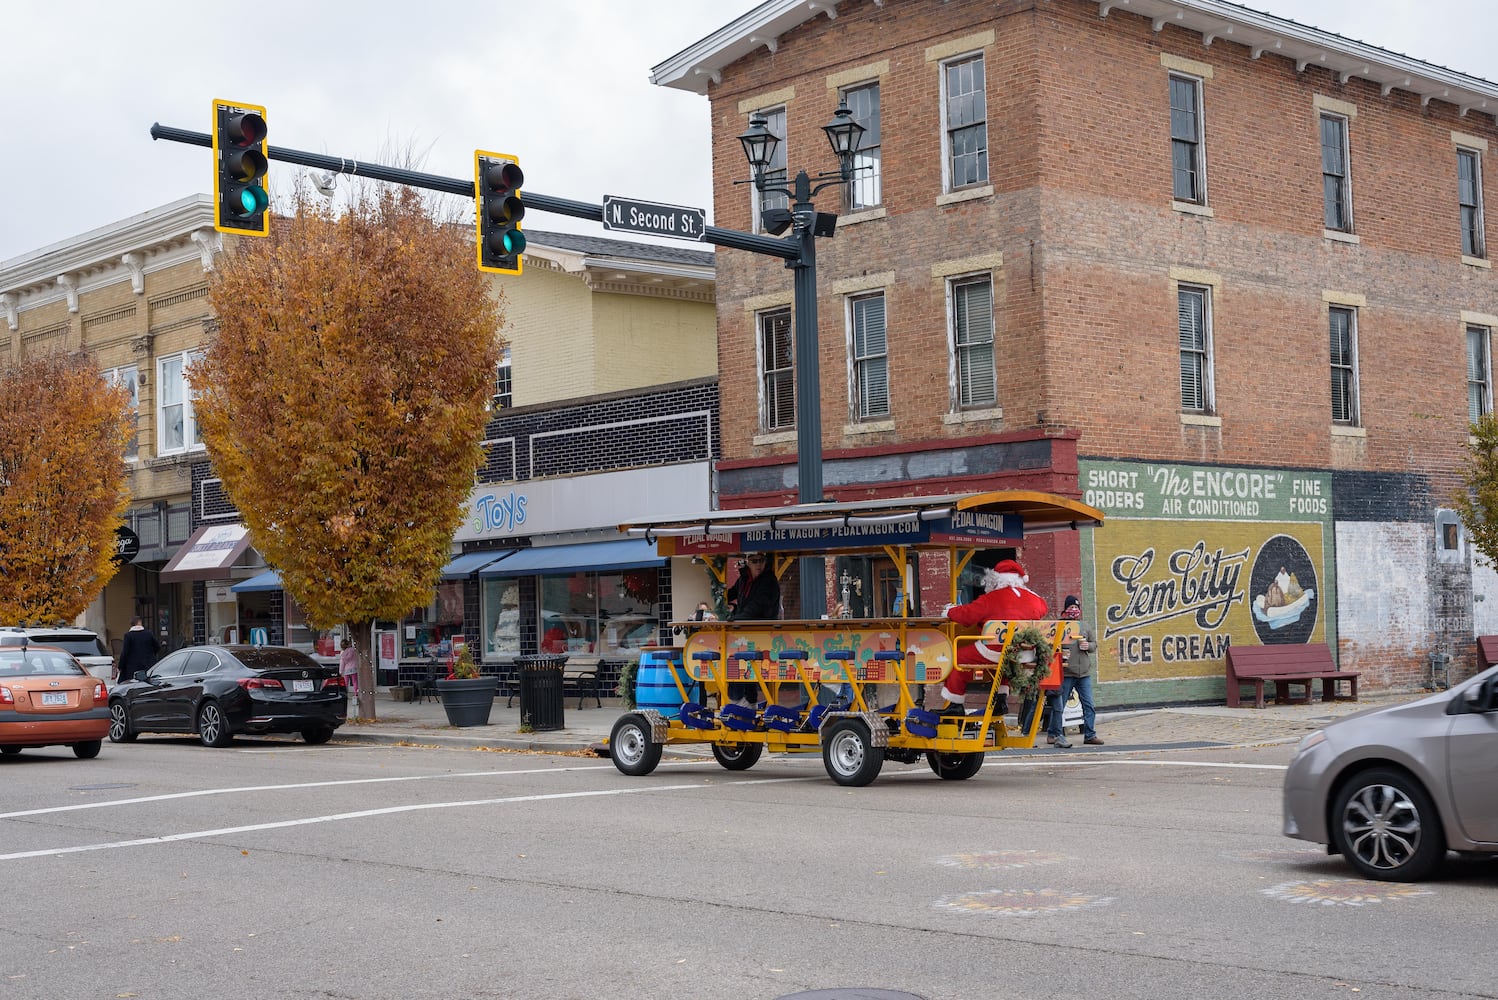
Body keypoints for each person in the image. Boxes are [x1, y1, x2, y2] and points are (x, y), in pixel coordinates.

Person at [941, 559, 1048, 715]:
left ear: (996, 578)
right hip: (1024, 653)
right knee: (1007, 658)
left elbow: (967, 616)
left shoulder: (992, 598)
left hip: (994, 651)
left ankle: (955, 703)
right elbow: (1043, 609)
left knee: (957, 657)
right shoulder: (1034, 599)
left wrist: (950, 611)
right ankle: (1001, 699)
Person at [725, 553, 781, 705]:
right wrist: (720, 601)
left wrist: (735, 619)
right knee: (742, 667)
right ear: (747, 562)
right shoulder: (744, 579)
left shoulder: (769, 581)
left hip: (761, 634)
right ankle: (746, 704)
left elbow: (756, 607)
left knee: (745, 667)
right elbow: (730, 594)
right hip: (744, 633)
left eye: (762, 560)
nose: (758, 564)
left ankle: (743, 703)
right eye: (754, 561)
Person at [1049, 594, 1103, 748]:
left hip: (1084, 673)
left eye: (1076, 607)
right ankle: (1053, 734)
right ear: (1065, 609)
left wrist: (1089, 646)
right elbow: (1050, 644)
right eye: (1071, 607)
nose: (1074, 610)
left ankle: (1090, 735)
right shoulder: (1059, 625)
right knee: (1060, 705)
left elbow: (1094, 643)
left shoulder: (1084, 625)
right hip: (1066, 673)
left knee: (1089, 704)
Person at [116, 615, 158, 683]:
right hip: (148, 665)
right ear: (139, 622)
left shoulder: (128, 636)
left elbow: (125, 653)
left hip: (132, 668)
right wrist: (151, 655)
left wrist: (120, 666)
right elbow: (157, 646)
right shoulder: (148, 634)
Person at [339, 636, 360, 702]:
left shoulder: (342, 653)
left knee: (345, 682)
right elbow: (357, 658)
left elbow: (342, 663)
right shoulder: (353, 650)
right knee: (355, 682)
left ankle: (345, 694)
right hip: (354, 668)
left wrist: (340, 671)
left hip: (346, 670)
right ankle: (356, 693)